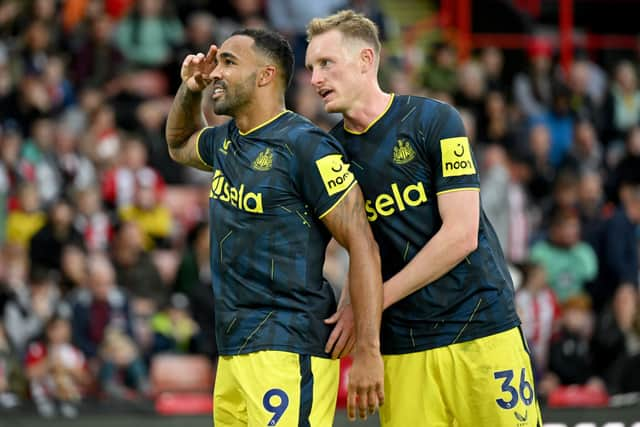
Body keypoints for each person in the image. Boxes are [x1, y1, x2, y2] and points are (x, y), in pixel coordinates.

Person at [305, 10, 542, 426]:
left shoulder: (435, 120)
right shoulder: (329, 152)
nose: (314, 79)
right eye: (310, 68)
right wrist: (358, 314)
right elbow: (358, 246)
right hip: (404, 347)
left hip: (482, 329)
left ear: (366, 60)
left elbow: (462, 235)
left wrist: (370, 305)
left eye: (326, 64)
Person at [164, 28, 384, 425]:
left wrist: (367, 349)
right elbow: (179, 142)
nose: (216, 72)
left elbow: (363, 243)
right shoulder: (227, 140)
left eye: (229, 62)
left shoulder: (306, 147)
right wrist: (190, 88)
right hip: (233, 348)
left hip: (288, 347)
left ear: (265, 75)